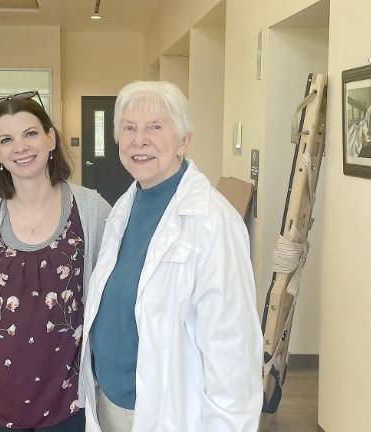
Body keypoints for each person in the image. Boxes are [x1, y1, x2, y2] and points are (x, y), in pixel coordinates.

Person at [79, 81, 263, 432]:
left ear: (183, 140)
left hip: (171, 412)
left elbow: (232, 348)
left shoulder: (213, 221)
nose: (140, 139)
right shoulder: (125, 206)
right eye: (129, 128)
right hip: (109, 405)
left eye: (155, 127)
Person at [0, 91, 111, 432]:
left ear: (50, 138)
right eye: (7, 139)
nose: (20, 147)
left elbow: (109, 301)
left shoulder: (92, 210)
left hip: (70, 398)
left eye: (30, 133)